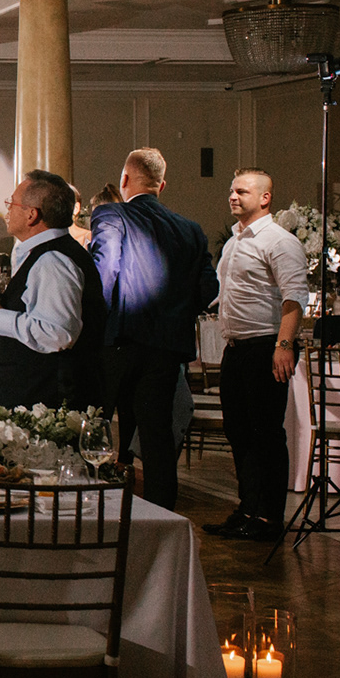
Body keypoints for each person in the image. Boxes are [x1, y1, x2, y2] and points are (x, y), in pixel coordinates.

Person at [89, 147, 219, 510]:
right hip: (166, 349)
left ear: (125, 180)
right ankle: (162, 516)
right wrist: (175, 314)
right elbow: (210, 289)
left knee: (93, 426)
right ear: (162, 185)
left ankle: (88, 511)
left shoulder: (112, 214)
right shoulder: (191, 229)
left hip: (118, 340)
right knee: (157, 436)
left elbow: (104, 273)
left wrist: (95, 325)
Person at [208, 168, 309, 542]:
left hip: (266, 347)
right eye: (232, 190)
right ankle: (248, 509)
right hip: (237, 349)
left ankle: (269, 518)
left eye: (242, 191)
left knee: (265, 434)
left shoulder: (279, 241)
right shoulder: (234, 241)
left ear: (265, 198)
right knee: (238, 433)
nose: (233, 196)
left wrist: (284, 346)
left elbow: (294, 296)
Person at [0, 170, 104, 411]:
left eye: (12, 203)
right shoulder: (46, 253)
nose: (7, 210)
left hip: (44, 402)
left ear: (31, 214)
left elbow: (58, 334)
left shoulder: (53, 260)